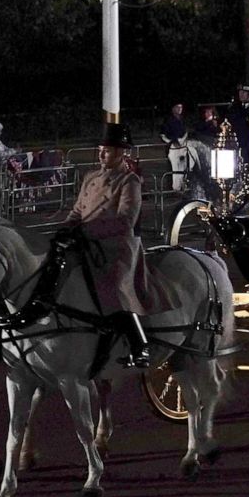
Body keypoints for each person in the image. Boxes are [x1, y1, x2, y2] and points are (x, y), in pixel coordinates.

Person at [61, 123, 174, 368]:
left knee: (113, 285)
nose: (101, 154)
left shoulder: (129, 181)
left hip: (117, 247)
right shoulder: (90, 177)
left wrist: (87, 230)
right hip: (86, 242)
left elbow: (125, 220)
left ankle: (139, 344)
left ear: (122, 153)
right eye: (101, 149)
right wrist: (66, 228)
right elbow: (78, 210)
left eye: (108, 151)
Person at [160, 103, 189, 192]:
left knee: (184, 167)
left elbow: (185, 131)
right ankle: (172, 188)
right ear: (173, 108)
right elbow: (162, 135)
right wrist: (171, 141)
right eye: (178, 107)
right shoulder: (168, 120)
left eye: (181, 107)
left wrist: (183, 139)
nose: (180, 109)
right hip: (172, 148)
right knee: (173, 168)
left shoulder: (182, 119)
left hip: (182, 147)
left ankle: (182, 186)